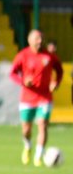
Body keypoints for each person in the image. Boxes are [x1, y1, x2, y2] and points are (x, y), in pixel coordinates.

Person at [9, 27, 60, 165]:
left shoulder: (49, 56)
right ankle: (27, 146)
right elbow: (12, 73)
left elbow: (59, 70)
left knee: (42, 125)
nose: (40, 41)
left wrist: (56, 82)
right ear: (29, 40)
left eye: (41, 38)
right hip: (27, 98)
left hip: (45, 98)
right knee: (26, 129)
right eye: (37, 38)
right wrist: (23, 82)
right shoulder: (23, 55)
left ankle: (38, 156)